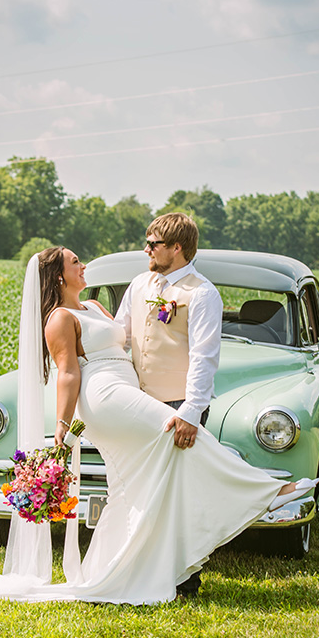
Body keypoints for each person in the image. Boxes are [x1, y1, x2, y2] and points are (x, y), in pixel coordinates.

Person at [0, 246, 317, 605]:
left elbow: (140, 333)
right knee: (182, 430)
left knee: (140, 481)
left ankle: (129, 568)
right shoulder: (59, 317)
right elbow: (68, 373)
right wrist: (60, 430)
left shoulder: (96, 306)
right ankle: (268, 490)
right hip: (103, 396)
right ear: (59, 275)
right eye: (77, 262)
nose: (84, 265)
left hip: (128, 387)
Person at [114, 213, 223, 596]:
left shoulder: (203, 293)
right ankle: (140, 570)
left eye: (153, 243)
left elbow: (204, 357)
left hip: (179, 406)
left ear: (177, 248)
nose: (146, 249)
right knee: (142, 489)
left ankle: (184, 580)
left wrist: (191, 413)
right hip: (139, 403)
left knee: (179, 495)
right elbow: (121, 335)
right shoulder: (139, 283)